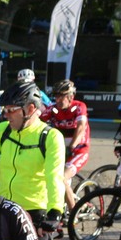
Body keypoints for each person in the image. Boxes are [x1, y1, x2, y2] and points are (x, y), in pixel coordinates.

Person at [0, 81, 65, 240]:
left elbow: (54, 177)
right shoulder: (3, 130)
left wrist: (54, 212)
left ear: (30, 109)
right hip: (5, 208)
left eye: (11, 110)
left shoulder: (50, 137)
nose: (6, 115)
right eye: (5, 110)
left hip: (34, 213)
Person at [41, 79, 91, 211]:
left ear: (70, 97)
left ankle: (73, 214)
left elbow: (81, 127)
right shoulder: (53, 109)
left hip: (79, 151)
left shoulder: (79, 107)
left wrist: (72, 146)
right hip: (62, 151)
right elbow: (37, 123)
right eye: (56, 96)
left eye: (60, 96)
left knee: (61, 178)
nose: (57, 99)